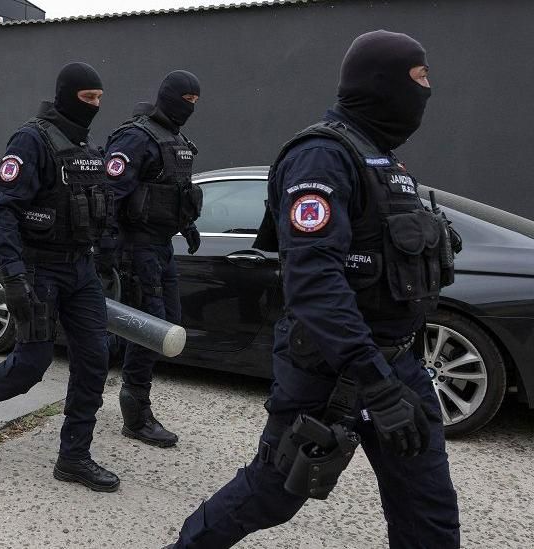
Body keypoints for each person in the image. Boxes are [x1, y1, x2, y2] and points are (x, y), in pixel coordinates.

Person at [168, 30, 460, 548]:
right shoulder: (322, 156)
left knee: (428, 515)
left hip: (398, 364)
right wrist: (376, 383)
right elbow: (314, 283)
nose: (428, 90)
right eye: (420, 77)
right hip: (332, 371)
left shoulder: (383, 159)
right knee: (273, 492)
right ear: (382, 82)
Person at [0, 62, 120, 493]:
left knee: (94, 361)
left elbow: (95, 204)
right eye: (88, 99)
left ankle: (74, 457)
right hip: (40, 268)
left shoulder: (86, 145)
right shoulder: (31, 140)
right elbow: (3, 211)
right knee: (31, 363)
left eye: (100, 99)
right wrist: (12, 276)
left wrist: (105, 256)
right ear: (66, 95)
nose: (96, 106)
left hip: (80, 269)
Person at [100, 71, 203, 448]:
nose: (190, 107)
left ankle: (113, 387)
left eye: (195, 101)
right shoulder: (136, 137)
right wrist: (107, 246)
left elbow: (176, 191)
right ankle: (135, 413)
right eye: (185, 99)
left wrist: (187, 225)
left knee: (165, 325)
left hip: (161, 246)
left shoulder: (177, 140)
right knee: (151, 328)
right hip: (135, 249)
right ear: (167, 97)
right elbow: (110, 195)